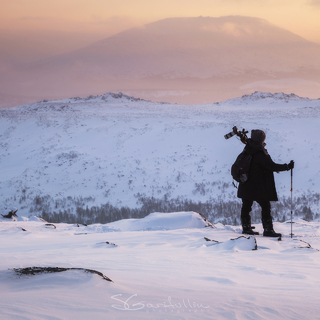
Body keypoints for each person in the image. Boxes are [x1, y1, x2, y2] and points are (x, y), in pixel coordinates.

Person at [237, 129, 294, 237]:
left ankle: (246, 228)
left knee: (246, 206)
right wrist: (287, 167)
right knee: (265, 206)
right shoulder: (261, 153)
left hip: (245, 183)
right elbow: (272, 166)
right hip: (259, 187)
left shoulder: (247, 149)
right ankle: (268, 230)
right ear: (261, 140)